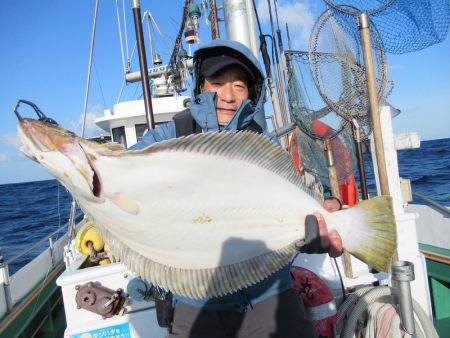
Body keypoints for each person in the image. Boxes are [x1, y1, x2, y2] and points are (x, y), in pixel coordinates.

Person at [133, 39, 342, 338]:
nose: (228, 96)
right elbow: (128, 172)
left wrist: (311, 235)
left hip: (269, 293)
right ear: (200, 87)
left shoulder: (264, 145)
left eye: (239, 86)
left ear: (250, 94)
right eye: (217, 82)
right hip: (197, 300)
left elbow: (288, 217)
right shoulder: (173, 135)